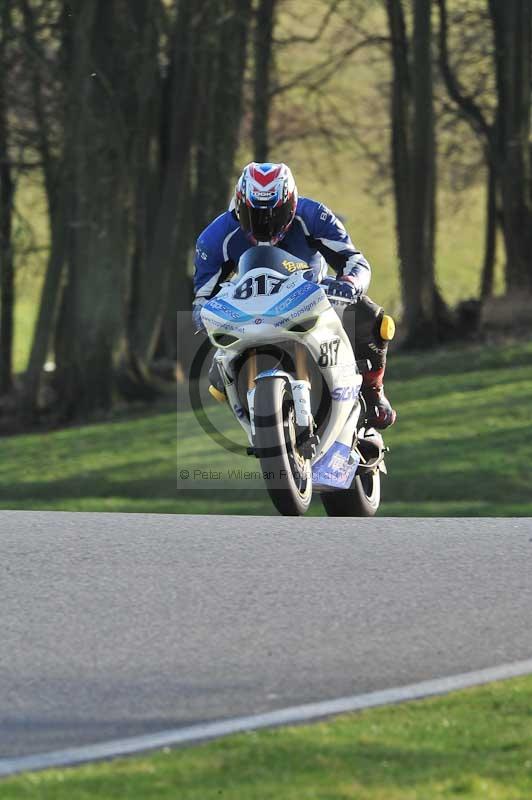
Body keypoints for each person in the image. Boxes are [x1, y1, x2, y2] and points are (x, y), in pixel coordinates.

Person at [192, 162, 396, 429]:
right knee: (217, 379)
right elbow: (204, 295)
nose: (265, 225)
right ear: (239, 207)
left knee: (372, 318)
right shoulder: (215, 236)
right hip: (250, 310)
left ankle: (373, 391)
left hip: (313, 298)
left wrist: (348, 283)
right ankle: (257, 420)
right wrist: (202, 313)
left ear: (291, 204)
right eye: (254, 215)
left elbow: (354, 261)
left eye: (275, 214)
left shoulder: (314, 215)